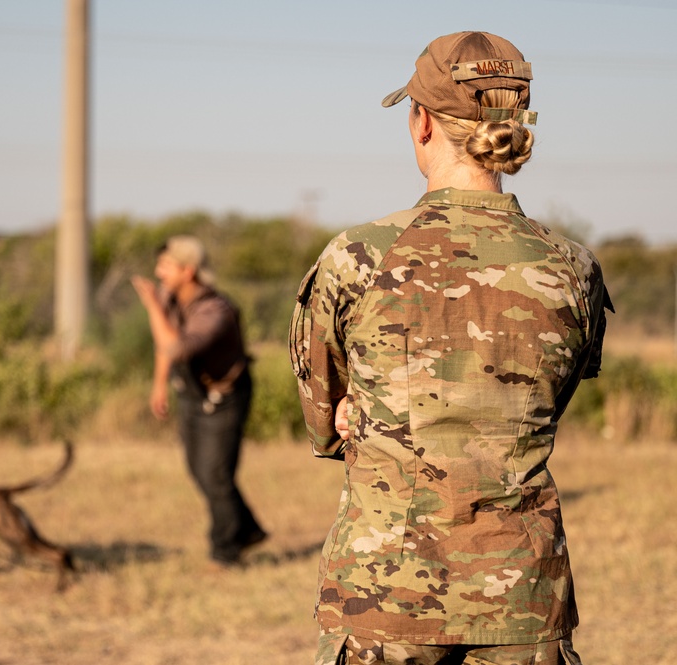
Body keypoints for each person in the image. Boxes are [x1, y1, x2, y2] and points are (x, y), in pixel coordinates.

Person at [290, 32, 612, 665]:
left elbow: (323, 418)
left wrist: (355, 418)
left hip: (386, 591)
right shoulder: (573, 267)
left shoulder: (359, 257)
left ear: (422, 124)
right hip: (522, 593)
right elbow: (552, 397)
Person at [132, 235, 266, 566]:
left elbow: (176, 347)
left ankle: (226, 550)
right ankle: (247, 530)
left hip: (226, 399)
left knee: (216, 476)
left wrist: (151, 306)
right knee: (199, 471)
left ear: (188, 271)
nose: (158, 272)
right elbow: (165, 347)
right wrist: (159, 385)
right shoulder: (171, 298)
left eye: (166, 266)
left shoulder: (214, 310)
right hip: (192, 395)